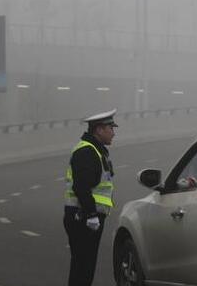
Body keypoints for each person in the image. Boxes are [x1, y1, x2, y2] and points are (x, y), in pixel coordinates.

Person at [63, 109, 118, 286]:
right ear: (99, 129)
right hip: (83, 217)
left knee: (85, 265)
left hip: (86, 216)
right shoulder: (87, 152)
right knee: (83, 266)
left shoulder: (95, 150)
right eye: (111, 128)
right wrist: (91, 215)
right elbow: (81, 186)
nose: (113, 132)